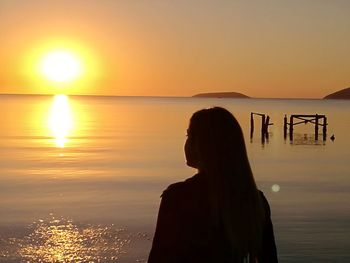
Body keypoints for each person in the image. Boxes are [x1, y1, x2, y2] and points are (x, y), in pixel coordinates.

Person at [148, 107, 278, 263]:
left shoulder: (177, 198)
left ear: (202, 145)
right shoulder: (255, 202)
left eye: (189, 135)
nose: (186, 142)